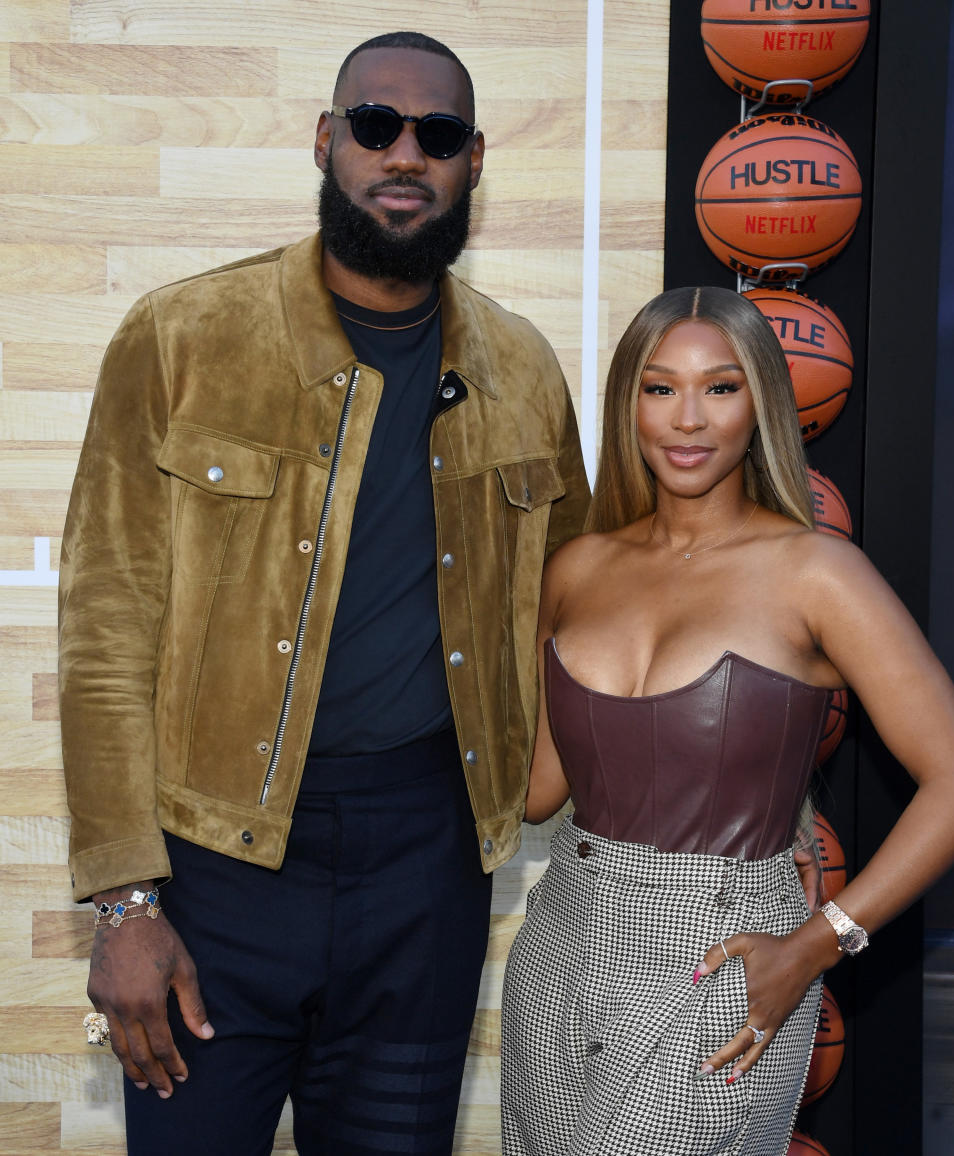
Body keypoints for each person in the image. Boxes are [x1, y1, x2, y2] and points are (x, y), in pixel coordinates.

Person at [58, 31, 590, 1156]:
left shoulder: (525, 372)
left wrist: (739, 811)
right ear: (325, 138)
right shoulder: (182, 338)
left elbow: (591, 621)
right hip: (214, 871)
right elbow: (106, 633)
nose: (405, 154)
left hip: (426, 871)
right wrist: (125, 904)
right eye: (376, 125)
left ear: (475, 161)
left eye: (437, 136)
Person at [499, 286, 954, 1156]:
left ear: (764, 406)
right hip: (559, 945)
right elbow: (534, 792)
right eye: (659, 387)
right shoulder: (578, 567)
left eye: (721, 387)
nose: (688, 419)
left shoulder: (816, 571)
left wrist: (822, 943)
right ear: (628, 401)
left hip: (721, 956)